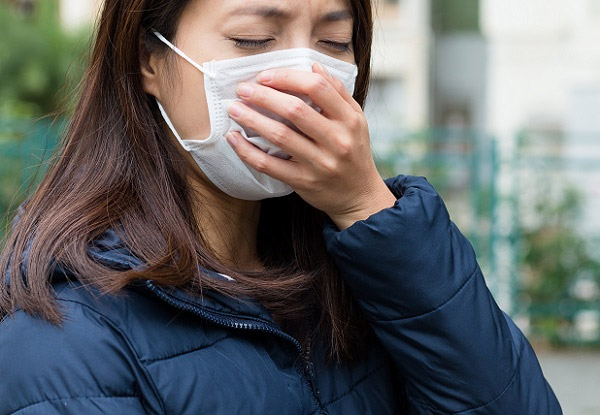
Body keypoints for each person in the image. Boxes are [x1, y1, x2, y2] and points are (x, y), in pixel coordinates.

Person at [0, 0, 562, 414]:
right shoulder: (64, 333)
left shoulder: (358, 274)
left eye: (335, 43)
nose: (302, 79)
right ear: (149, 60)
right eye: (253, 40)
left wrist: (368, 208)